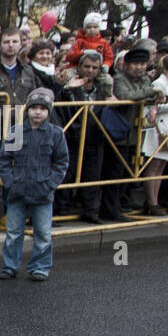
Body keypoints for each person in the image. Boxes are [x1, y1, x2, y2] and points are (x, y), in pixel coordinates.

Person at [0, 26, 43, 232]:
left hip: (20, 130)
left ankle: (10, 215)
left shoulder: (28, 72)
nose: (10, 46)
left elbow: (34, 101)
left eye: (14, 41)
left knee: (16, 175)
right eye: (6, 41)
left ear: (21, 44)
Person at [0, 88, 69, 281]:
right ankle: (10, 266)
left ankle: (40, 267)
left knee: (43, 234)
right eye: (34, 107)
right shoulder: (16, 132)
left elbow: (61, 162)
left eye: (42, 108)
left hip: (43, 193)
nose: (37, 112)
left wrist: (50, 184)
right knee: (13, 233)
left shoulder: (56, 134)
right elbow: (4, 160)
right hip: (17, 192)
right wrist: (10, 182)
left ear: (49, 111)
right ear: (27, 109)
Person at [113, 39, 168, 217]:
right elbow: (127, 95)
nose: (139, 67)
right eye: (136, 63)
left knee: (130, 170)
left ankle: (124, 203)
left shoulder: (144, 78)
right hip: (120, 129)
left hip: (137, 131)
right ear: (127, 64)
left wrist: (153, 95)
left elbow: (146, 95)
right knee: (117, 170)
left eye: (143, 64)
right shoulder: (120, 78)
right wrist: (152, 93)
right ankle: (112, 207)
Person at [59, 49, 114, 223]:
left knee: (92, 174)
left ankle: (90, 211)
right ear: (80, 67)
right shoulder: (70, 87)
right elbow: (61, 106)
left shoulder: (101, 88)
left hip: (95, 136)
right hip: (73, 136)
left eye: (94, 67)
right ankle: (61, 210)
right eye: (87, 66)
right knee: (67, 173)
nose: (90, 70)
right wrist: (68, 88)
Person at [142, 53, 168, 214]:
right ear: (166, 68)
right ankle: (151, 202)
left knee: (162, 166)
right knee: (153, 166)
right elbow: (151, 108)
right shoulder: (158, 84)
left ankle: (154, 201)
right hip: (157, 129)